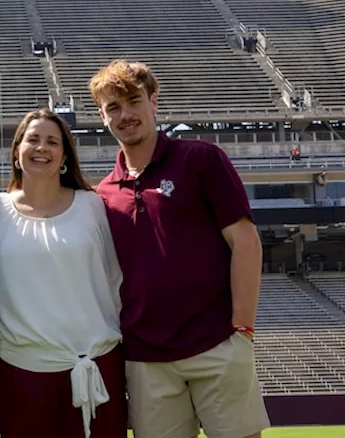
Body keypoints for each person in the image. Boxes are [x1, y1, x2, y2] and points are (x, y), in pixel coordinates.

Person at [89, 61, 270, 438]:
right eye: (113, 107)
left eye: (134, 101)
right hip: (145, 360)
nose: (125, 115)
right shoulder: (102, 195)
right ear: (101, 116)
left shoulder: (201, 159)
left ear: (154, 101)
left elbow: (245, 242)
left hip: (216, 342)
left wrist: (242, 329)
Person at [0, 109, 127, 438]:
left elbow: (114, 280)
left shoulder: (92, 206)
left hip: (97, 365)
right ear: (17, 152)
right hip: (22, 374)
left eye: (52, 141)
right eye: (32, 139)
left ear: (64, 156)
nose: (41, 147)